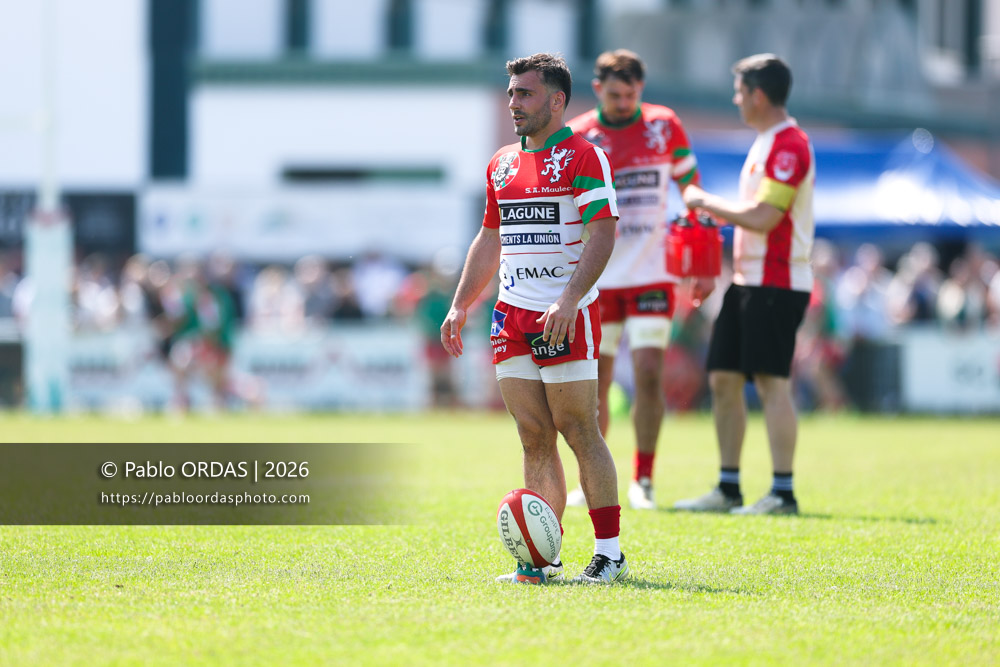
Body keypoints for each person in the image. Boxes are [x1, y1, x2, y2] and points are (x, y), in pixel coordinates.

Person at [441, 53, 628, 584]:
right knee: (532, 434)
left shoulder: (583, 156)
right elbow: (490, 238)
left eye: (524, 93)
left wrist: (569, 299)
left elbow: (604, 233)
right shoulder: (501, 162)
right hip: (510, 316)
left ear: (557, 100)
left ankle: (610, 555)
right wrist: (461, 302)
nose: (513, 103)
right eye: (511, 93)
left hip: (563, 316)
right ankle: (540, 560)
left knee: (579, 429)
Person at [565, 49, 712, 510]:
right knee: (597, 382)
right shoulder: (580, 134)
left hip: (653, 273)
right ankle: (591, 479)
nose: (624, 103)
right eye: (615, 95)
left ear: (641, 90)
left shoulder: (664, 125)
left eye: (631, 95)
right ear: (597, 89)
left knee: (649, 373)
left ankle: (643, 479)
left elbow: (690, 183)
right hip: (599, 276)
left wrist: (702, 243)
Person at [674, 54, 815, 515]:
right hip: (747, 280)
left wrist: (705, 201)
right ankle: (728, 487)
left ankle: (783, 492)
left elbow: (764, 216)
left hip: (776, 282)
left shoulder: (789, 144)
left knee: (773, 383)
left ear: (757, 94)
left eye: (739, 91)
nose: (735, 100)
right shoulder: (767, 142)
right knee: (723, 379)